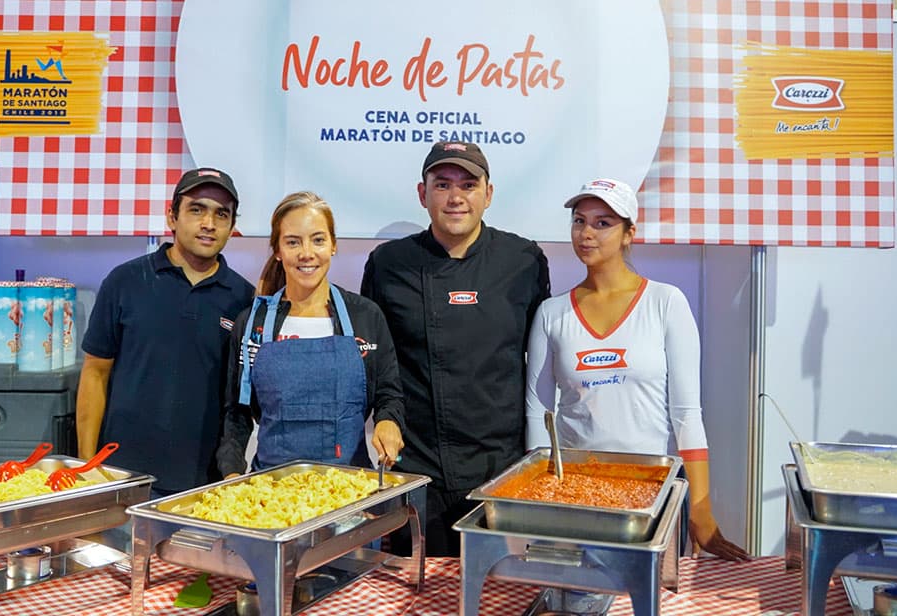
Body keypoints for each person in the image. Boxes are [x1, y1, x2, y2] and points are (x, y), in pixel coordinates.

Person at [525, 178, 750, 561]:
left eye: (602, 223)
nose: (586, 233)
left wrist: (700, 508)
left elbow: (686, 415)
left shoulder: (665, 303)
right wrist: (542, 498)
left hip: (652, 494)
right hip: (578, 496)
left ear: (630, 233)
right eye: (579, 221)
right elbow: (538, 414)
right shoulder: (552, 313)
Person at [361, 142, 551, 556]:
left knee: (501, 590)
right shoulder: (389, 263)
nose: (455, 197)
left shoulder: (522, 260)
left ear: (488, 193)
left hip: (500, 469)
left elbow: (539, 361)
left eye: (468, 184)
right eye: (442, 184)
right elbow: (376, 359)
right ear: (422, 193)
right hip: (416, 468)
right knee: (415, 592)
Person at [77, 167, 255, 496]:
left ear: (232, 226)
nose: (209, 223)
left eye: (222, 214)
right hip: (121, 480)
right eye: (196, 209)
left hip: (204, 487)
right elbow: (95, 374)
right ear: (171, 217)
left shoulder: (244, 299)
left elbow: (239, 401)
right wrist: (87, 468)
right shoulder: (124, 282)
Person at [217, 191, 404, 476]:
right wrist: (231, 474)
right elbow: (237, 412)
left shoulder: (365, 316)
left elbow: (389, 394)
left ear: (333, 246)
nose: (307, 253)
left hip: (351, 486)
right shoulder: (253, 322)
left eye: (318, 240)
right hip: (272, 490)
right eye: (293, 242)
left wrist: (388, 422)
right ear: (278, 251)